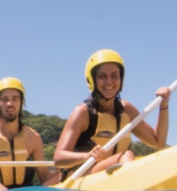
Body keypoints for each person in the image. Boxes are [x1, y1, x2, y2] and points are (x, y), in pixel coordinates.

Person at [58, 49, 171, 179]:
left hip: (113, 177)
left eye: (114, 75)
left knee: (133, 159)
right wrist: (88, 155)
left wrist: (164, 105)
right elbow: (59, 158)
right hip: (83, 179)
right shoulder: (83, 112)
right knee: (126, 156)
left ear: (121, 78)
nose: (109, 82)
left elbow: (158, 142)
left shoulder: (126, 110)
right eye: (102, 76)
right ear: (92, 79)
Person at [0, 77, 54, 191]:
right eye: (4, 99)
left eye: (15, 99)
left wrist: (67, 172)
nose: (10, 104)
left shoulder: (33, 138)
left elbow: (44, 178)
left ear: (22, 103)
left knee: (66, 172)